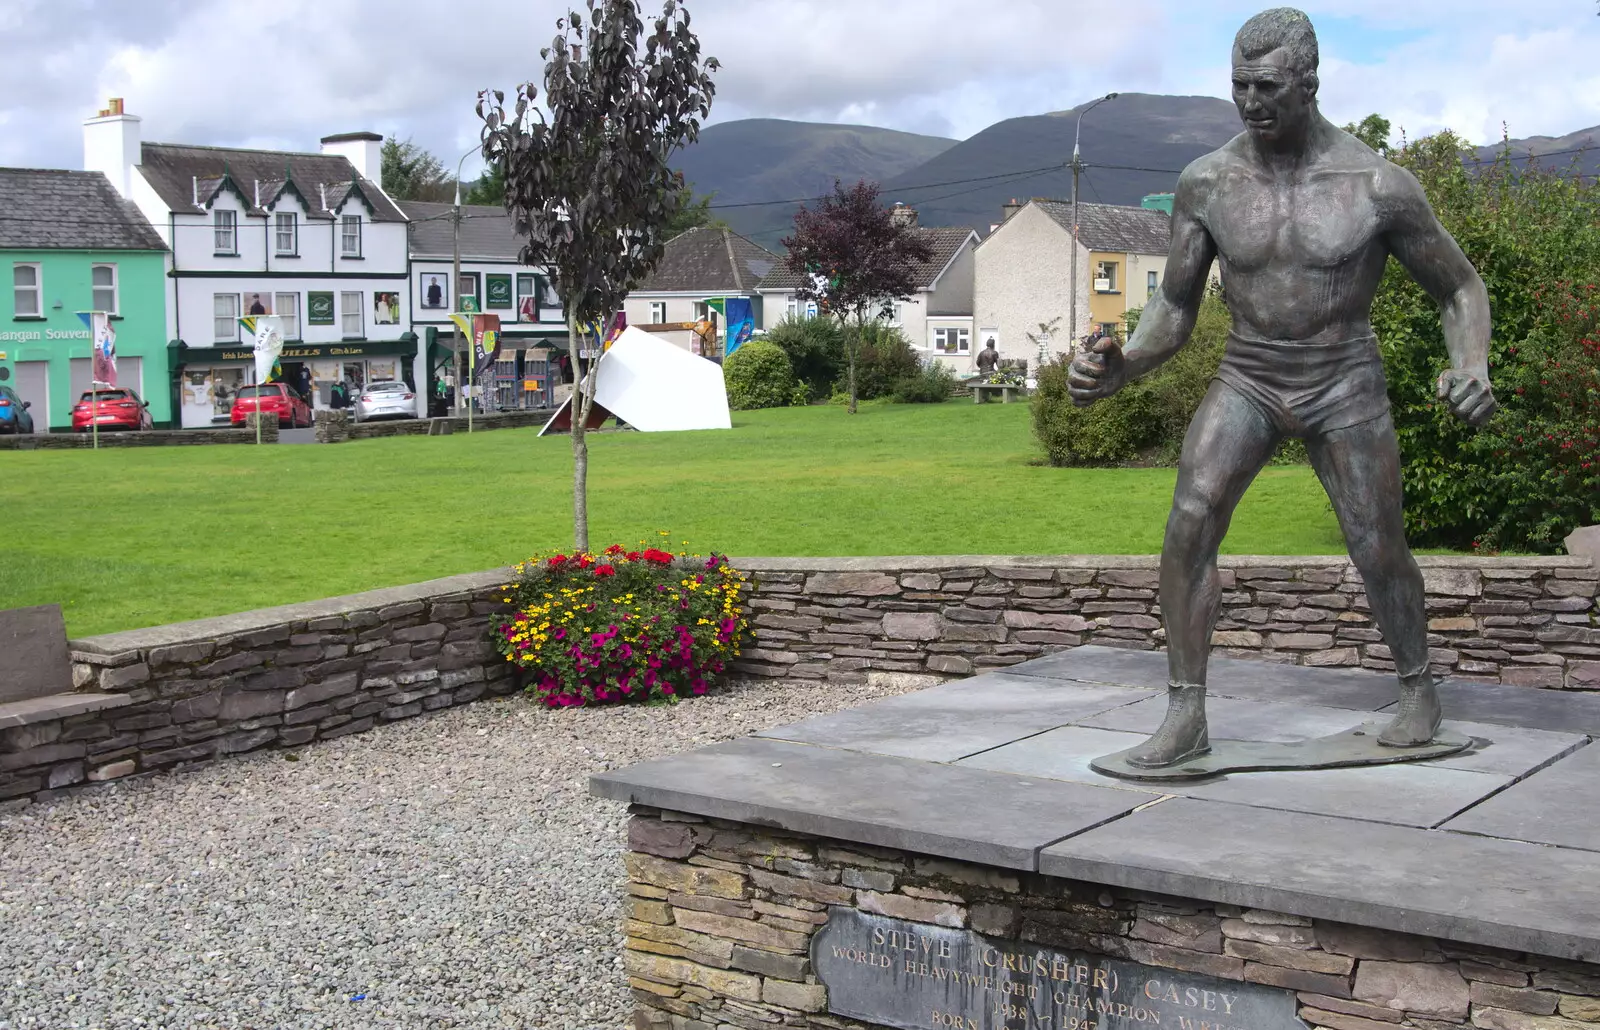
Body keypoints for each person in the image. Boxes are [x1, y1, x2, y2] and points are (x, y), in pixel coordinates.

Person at [1067, 7, 1495, 768]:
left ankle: (1418, 688)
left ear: (1309, 84)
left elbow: (1460, 288)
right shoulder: (1206, 181)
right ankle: (1185, 713)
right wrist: (1124, 365)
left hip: (1343, 379)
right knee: (1189, 519)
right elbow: (1174, 305)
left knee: (1376, 542)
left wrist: (1471, 366)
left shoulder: (1376, 185)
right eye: (1239, 87)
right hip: (1251, 373)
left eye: (1267, 86)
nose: (1251, 102)